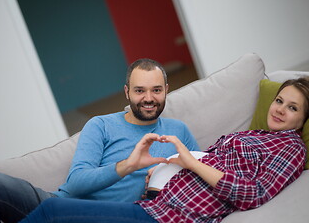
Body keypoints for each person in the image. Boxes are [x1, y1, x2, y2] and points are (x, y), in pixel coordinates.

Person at [20, 77, 309, 223]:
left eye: (293, 107)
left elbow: (253, 193)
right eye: (279, 100)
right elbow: (206, 162)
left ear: (304, 119)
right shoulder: (253, 135)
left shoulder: (291, 148)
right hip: (155, 205)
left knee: (52, 211)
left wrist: (189, 162)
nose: (280, 109)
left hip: (174, 217)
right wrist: (161, 174)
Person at [0, 58, 200, 223]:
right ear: (127, 92)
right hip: (55, 203)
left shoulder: (178, 131)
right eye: (139, 91)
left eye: (156, 90)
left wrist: (164, 183)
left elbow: (202, 177)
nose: (148, 98)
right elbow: (76, 183)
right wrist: (129, 166)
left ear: (166, 90)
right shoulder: (100, 125)